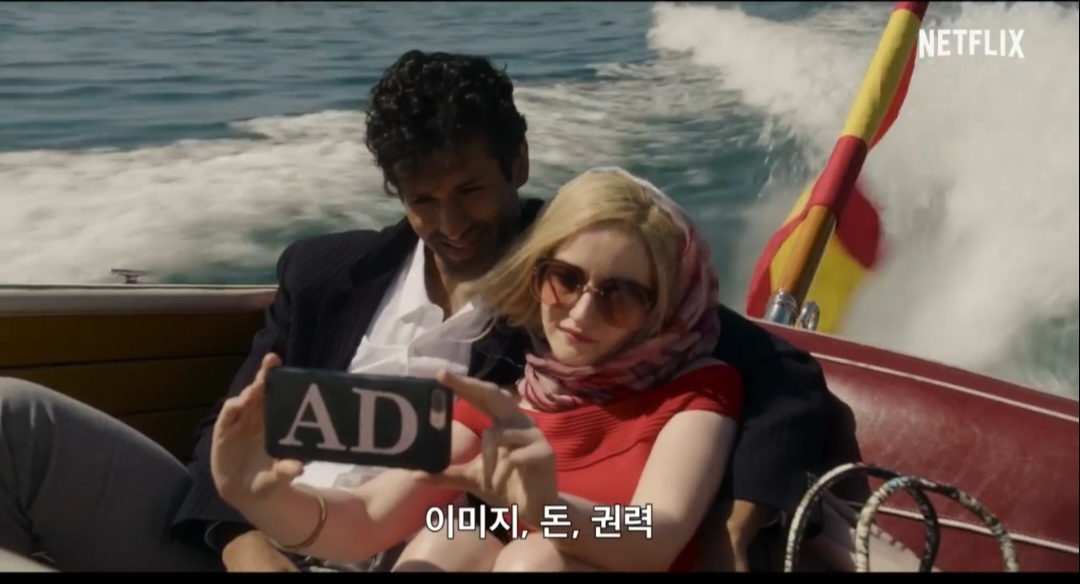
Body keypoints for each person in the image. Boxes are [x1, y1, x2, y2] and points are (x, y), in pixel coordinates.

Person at [0, 50, 830, 572]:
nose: (582, 308)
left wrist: (731, 528)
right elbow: (301, 470)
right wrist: (251, 517)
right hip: (268, 540)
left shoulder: (655, 356)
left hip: (457, 546)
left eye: (471, 189)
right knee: (12, 417)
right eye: (423, 199)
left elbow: (658, 520)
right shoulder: (344, 291)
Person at [210, 167, 744, 572]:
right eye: (565, 279)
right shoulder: (504, 405)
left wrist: (548, 509)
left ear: (663, 310)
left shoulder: (693, 395)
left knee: (535, 560)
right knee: (449, 536)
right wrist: (258, 496)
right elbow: (369, 517)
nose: (581, 313)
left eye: (619, 295)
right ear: (536, 274)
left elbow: (654, 530)